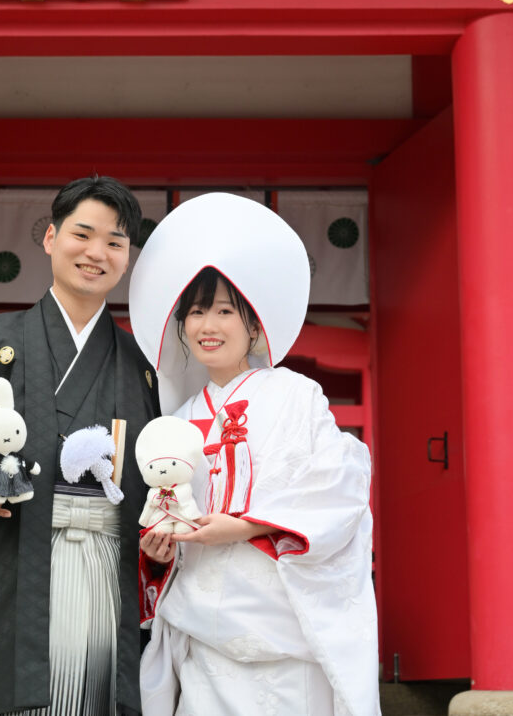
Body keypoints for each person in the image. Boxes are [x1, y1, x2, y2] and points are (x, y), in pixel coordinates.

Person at [0, 176, 159, 716]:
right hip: (8, 568)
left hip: (106, 572)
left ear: (127, 257)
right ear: (50, 238)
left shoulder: (140, 365)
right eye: (82, 235)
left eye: (115, 242)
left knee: (96, 694)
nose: (96, 253)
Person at [129, 193, 380, 716]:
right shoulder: (177, 421)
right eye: (196, 313)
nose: (208, 326)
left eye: (225, 311)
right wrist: (159, 551)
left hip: (286, 640)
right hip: (203, 641)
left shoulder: (295, 395)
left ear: (254, 326)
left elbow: (340, 484)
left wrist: (245, 526)